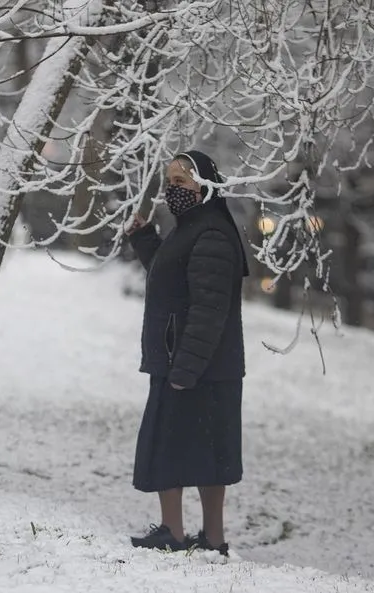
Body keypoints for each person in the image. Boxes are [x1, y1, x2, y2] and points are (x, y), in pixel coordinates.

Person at [126, 150, 249, 556]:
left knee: (174, 449)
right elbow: (173, 281)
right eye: (170, 181)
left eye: (180, 181)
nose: (171, 189)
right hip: (197, 363)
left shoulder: (210, 234)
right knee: (206, 452)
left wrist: (185, 368)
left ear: (205, 186)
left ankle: (174, 534)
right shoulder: (194, 228)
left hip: (193, 364)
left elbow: (208, 310)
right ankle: (209, 538)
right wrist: (146, 240)